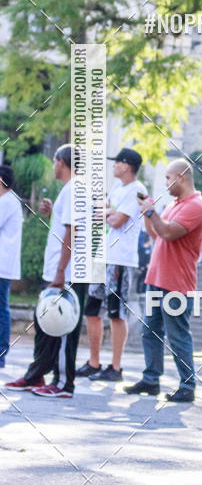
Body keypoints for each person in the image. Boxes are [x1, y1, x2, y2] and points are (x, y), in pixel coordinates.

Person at [5, 145, 87, 398]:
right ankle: (37, 372)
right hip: (56, 270)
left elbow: (73, 233)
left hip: (68, 273)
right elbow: (67, 225)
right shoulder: (68, 191)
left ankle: (64, 383)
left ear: (62, 162)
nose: (53, 166)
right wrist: (52, 212)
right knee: (44, 321)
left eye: (54, 161)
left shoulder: (75, 189)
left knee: (63, 326)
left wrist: (61, 272)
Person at [124, 158, 202, 402]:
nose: (166, 183)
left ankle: (188, 385)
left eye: (168, 178)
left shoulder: (196, 206)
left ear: (181, 177)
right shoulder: (175, 204)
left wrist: (152, 212)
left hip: (176, 284)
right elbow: (155, 233)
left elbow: (169, 233)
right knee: (150, 331)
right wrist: (147, 214)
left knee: (178, 335)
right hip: (157, 278)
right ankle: (151, 380)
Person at [77, 148, 145, 382]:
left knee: (116, 313)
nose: (113, 166)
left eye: (116, 162)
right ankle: (94, 362)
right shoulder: (118, 188)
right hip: (104, 255)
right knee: (92, 309)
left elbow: (116, 220)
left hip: (121, 259)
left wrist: (109, 212)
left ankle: (115, 367)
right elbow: (103, 213)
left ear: (126, 165)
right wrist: (110, 212)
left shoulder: (138, 190)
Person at [0, 165, 23, 369]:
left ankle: (1, 354)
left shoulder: (7, 201)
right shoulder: (8, 201)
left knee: (1, 309)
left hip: (2, 265)